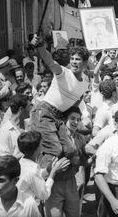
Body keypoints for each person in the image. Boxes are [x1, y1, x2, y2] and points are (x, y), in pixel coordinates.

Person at [29, 35, 89, 170]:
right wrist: (40, 46)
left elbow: (74, 105)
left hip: (59, 117)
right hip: (43, 112)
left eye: (78, 59)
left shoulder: (85, 83)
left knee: (70, 149)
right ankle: (41, 177)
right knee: (55, 149)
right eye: (72, 58)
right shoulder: (63, 72)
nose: (74, 62)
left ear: (84, 63)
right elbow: (50, 62)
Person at [46, 106, 87, 217]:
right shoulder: (56, 137)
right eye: (72, 118)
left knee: (74, 214)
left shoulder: (80, 138)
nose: (76, 122)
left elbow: (83, 161)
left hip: (71, 182)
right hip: (55, 182)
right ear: (65, 120)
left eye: (78, 119)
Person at [17, 131, 70, 213]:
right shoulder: (32, 170)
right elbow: (44, 195)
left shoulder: (21, 162)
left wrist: (47, 170)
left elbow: (35, 178)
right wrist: (53, 172)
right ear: (37, 148)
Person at [0, 94, 27, 158]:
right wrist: (24, 154)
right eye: (29, 107)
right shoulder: (5, 131)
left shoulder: (26, 128)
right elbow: (3, 159)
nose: (31, 110)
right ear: (21, 109)